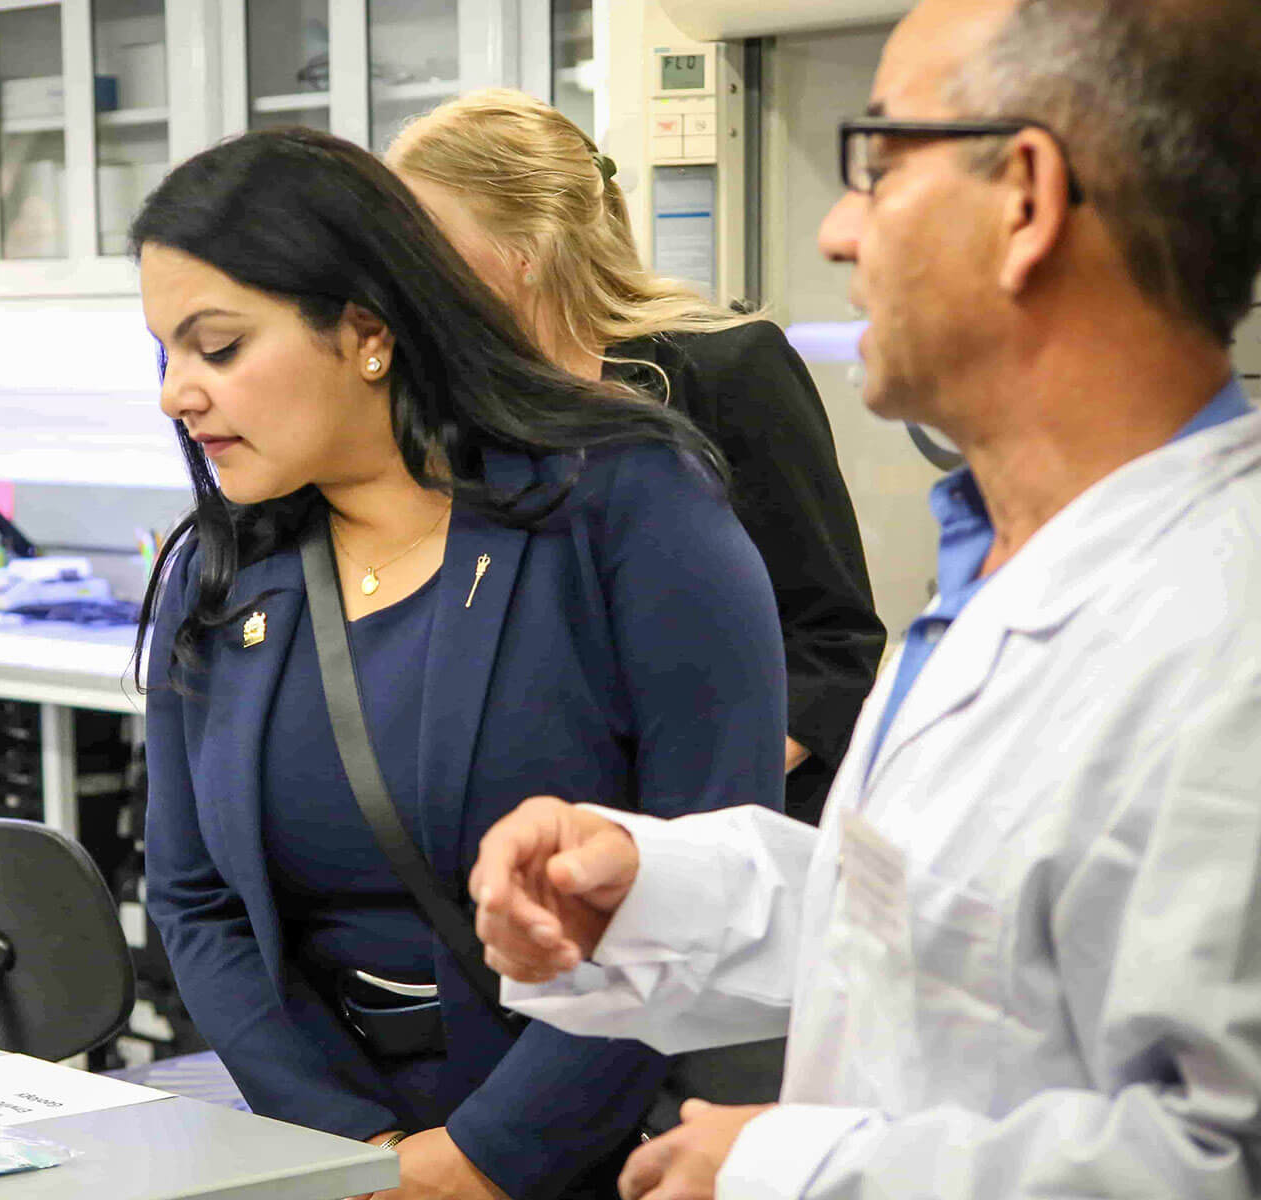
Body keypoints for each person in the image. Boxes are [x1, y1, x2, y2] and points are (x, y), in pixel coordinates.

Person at [466, 0, 1261, 1196]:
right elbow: (930, 936)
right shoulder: (1010, 559)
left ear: (1026, 200)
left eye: (878, 169)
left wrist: (790, 1167)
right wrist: (654, 889)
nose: (840, 229)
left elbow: (1220, 1155)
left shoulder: (1227, 630)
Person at [131, 127, 787, 1200]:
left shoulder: (623, 504)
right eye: (165, 353)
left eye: (217, 348)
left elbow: (711, 863)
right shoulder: (222, 569)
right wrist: (354, 1148)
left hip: (612, 1145)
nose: (176, 394)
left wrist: (489, 1155)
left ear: (366, 330)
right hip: (339, 1156)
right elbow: (195, 901)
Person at [388, 90, 885, 826]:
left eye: (422, 242)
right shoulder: (450, 412)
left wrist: (679, 803)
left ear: (524, 251)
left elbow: (832, 647)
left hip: (717, 841)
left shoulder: (723, 371)